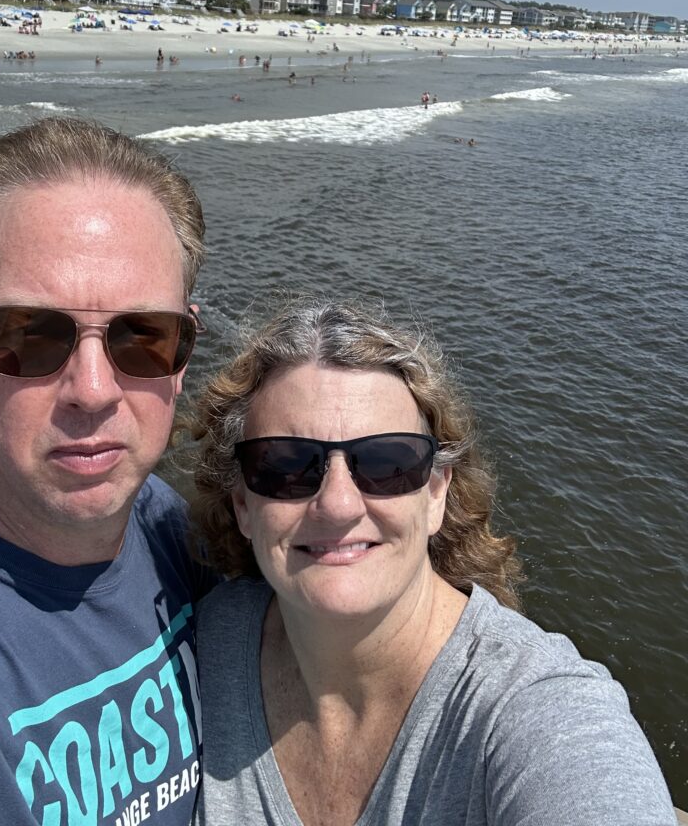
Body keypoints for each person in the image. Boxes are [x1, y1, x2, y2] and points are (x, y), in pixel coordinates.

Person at [188, 296, 677, 825]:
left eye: (386, 461)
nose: (338, 503)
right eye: (284, 465)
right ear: (242, 504)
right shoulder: (204, 641)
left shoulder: (536, 711)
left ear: (437, 493)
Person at [0, 117, 212, 825]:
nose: (92, 390)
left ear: (180, 363)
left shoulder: (171, 525)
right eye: (29, 335)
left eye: (142, 338)